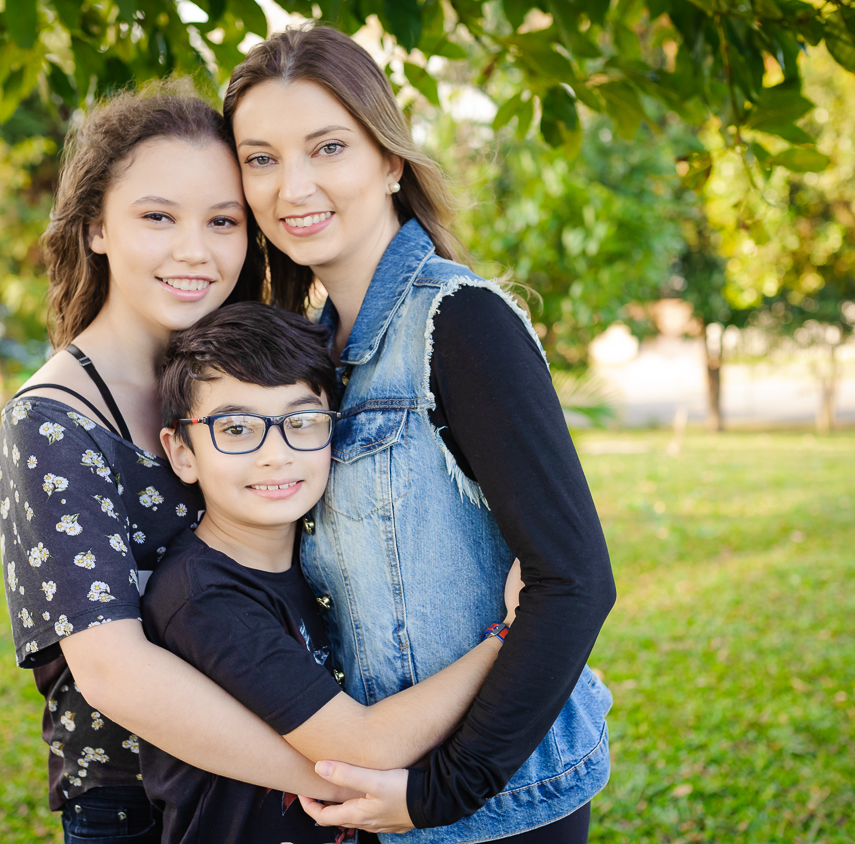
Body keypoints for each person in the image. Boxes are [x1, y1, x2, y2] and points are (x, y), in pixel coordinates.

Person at [225, 26, 618, 843]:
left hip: (494, 812)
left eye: (327, 147)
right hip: (380, 804)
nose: (292, 186)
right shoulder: (309, 353)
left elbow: (575, 584)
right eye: (260, 158)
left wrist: (441, 790)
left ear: (390, 160)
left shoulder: (459, 322)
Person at [0, 83, 361, 844]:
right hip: (141, 807)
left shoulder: (251, 379)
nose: (194, 250)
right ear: (96, 226)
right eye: (157, 216)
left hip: (285, 776)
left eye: (223, 221)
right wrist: (337, 779)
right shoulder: (55, 420)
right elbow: (114, 672)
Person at [142, 302, 521, 843]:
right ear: (181, 451)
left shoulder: (324, 564)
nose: (276, 454)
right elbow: (363, 747)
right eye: (237, 428)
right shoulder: (202, 599)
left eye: (301, 422)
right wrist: (508, 637)